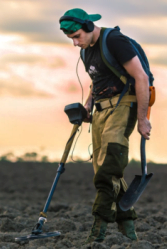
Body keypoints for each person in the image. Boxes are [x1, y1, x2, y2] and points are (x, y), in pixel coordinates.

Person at [59, 8, 152, 244]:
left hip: (124, 105)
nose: (75, 43)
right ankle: (128, 228)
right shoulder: (85, 52)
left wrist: (142, 119)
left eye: (77, 36)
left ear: (89, 27)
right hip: (100, 111)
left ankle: (97, 229)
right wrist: (88, 106)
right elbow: (97, 81)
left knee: (109, 166)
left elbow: (141, 77)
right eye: (71, 39)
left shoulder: (116, 41)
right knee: (106, 169)